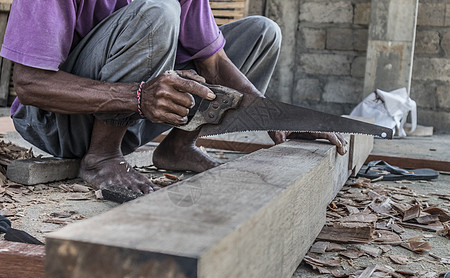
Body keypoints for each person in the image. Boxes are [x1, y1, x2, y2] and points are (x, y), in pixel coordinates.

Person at [1, 0, 347, 194]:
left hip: (135, 118)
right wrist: (137, 96)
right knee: (158, 12)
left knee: (261, 33)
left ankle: (178, 148)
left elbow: (214, 64)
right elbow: (30, 84)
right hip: (56, 124)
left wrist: (280, 116)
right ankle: (101, 156)